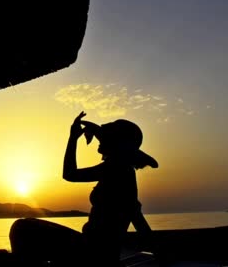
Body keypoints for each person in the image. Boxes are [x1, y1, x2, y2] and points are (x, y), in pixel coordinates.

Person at [62, 111, 158, 266]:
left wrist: (73, 138)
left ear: (116, 144)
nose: (100, 140)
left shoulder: (115, 168)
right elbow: (137, 218)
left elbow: (70, 174)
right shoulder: (122, 169)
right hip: (96, 249)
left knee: (23, 228)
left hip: (94, 252)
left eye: (106, 137)